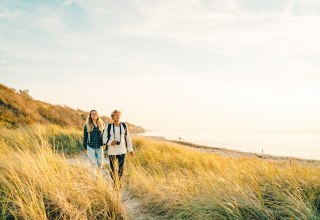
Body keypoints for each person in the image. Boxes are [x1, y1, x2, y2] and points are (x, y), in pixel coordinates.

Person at [103, 110, 134, 185]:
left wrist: (130, 149)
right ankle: (114, 182)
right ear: (112, 117)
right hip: (112, 151)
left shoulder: (124, 125)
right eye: (116, 115)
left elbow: (128, 138)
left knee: (121, 168)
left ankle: (118, 183)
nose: (117, 116)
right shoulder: (109, 126)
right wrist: (110, 142)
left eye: (118, 115)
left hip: (122, 150)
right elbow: (104, 138)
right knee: (112, 169)